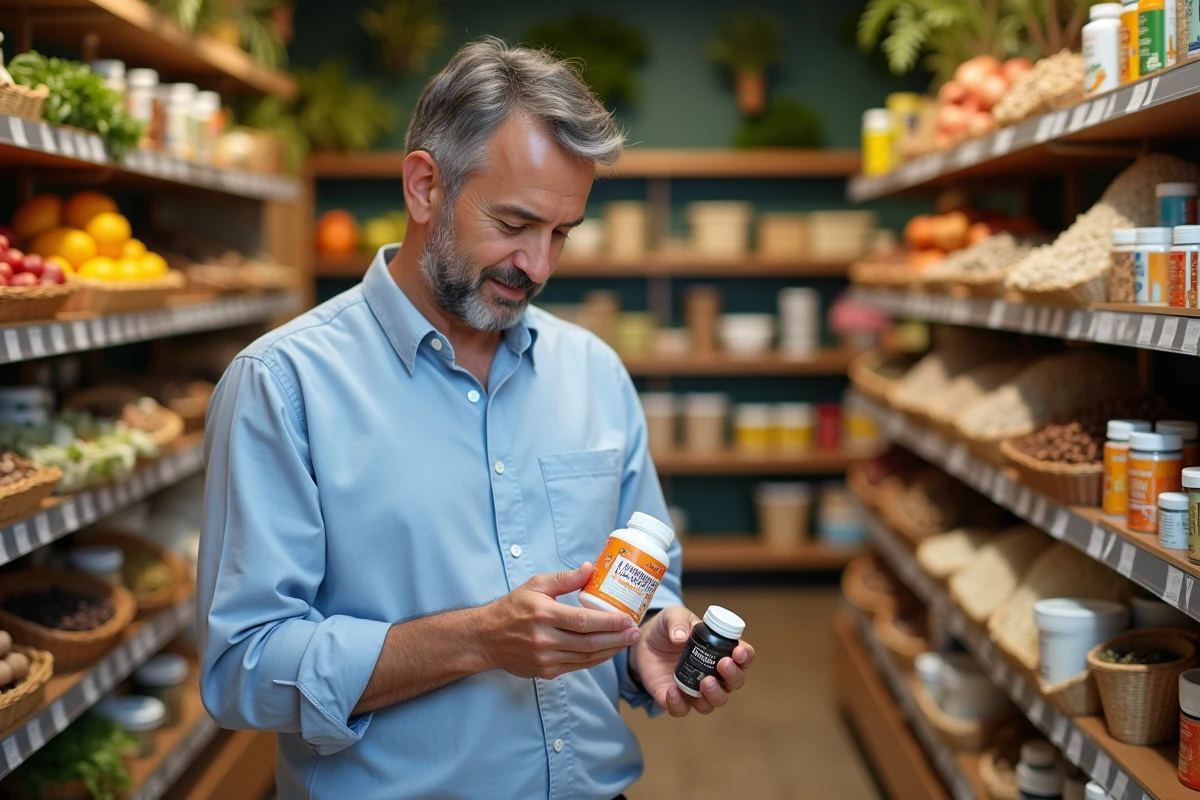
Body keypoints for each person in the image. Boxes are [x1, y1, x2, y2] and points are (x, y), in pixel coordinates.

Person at [198, 37, 755, 800]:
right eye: (516, 223)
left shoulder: (594, 373)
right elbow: (243, 670)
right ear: (425, 186)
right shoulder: (284, 386)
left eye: (561, 233)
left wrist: (644, 642)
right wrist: (477, 639)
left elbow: (644, 570)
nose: (539, 266)